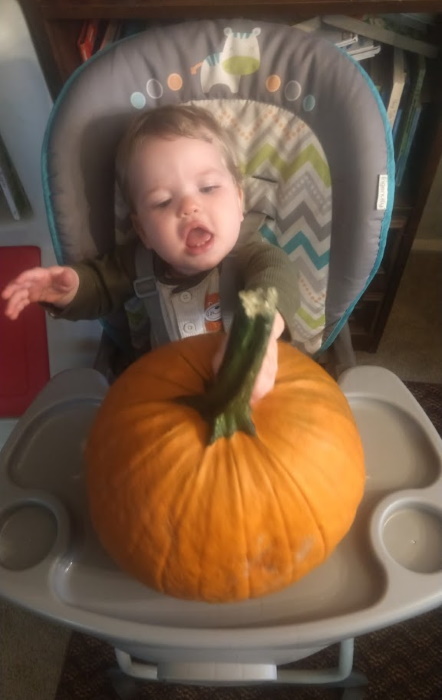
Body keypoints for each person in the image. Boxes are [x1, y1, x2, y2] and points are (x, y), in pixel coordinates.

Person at [2, 104, 299, 403]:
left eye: (208, 188)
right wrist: (70, 288)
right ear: (142, 230)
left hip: (259, 391)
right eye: (162, 202)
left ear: (239, 200)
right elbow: (100, 286)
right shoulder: (140, 263)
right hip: (168, 394)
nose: (189, 207)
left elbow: (275, 276)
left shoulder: (250, 255)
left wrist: (258, 332)